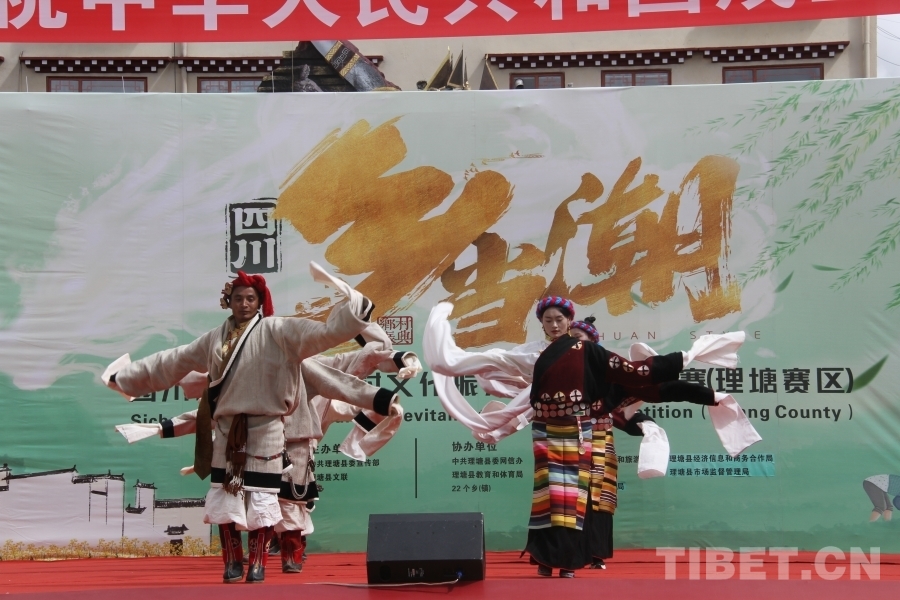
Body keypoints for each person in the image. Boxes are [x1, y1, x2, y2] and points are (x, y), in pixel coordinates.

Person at [105, 266, 397, 584]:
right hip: (228, 429)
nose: (244, 304)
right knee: (225, 496)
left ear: (260, 302)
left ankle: (260, 563)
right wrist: (126, 378)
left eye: (250, 298)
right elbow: (173, 361)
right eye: (238, 298)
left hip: (269, 427)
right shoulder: (214, 340)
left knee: (266, 497)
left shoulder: (279, 332)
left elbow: (324, 339)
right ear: (228, 302)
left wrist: (354, 314)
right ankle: (232, 562)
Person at [423, 297, 750, 577]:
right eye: (548, 320)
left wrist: (690, 364)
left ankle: (570, 558)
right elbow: (490, 362)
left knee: (575, 497)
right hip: (545, 431)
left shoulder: (592, 353)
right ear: (542, 324)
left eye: (559, 319)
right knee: (549, 496)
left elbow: (641, 375)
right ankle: (545, 557)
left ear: (569, 320)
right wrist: (444, 344)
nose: (554, 325)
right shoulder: (535, 355)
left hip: (579, 431)